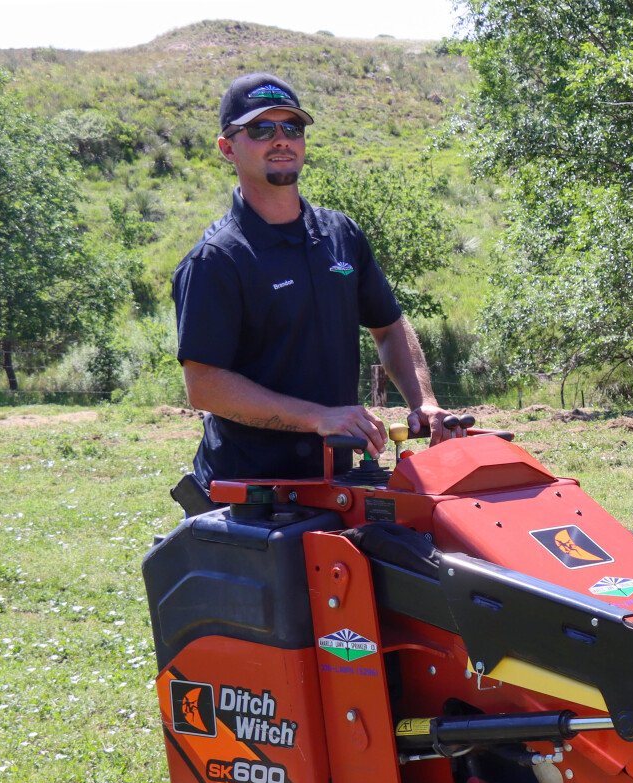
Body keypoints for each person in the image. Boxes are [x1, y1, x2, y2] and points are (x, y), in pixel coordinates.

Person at [172, 73, 458, 486]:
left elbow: (389, 326)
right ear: (227, 148)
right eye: (261, 129)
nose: (281, 138)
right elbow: (204, 386)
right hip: (248, 491)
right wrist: (319, 417)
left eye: (293, 127)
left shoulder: (341, 234)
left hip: (339, 477)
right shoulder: (215, 259)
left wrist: (425, 402)